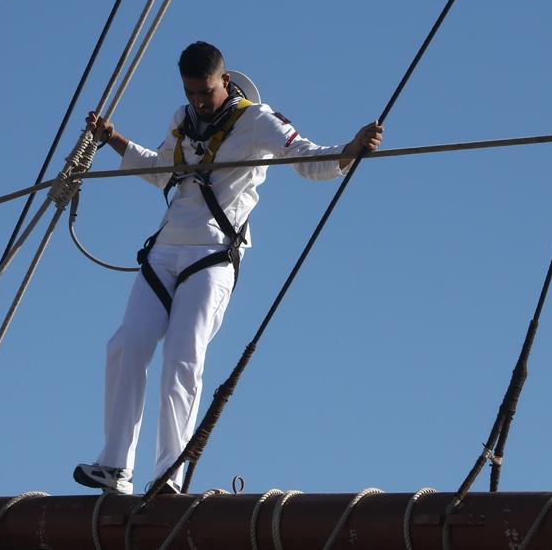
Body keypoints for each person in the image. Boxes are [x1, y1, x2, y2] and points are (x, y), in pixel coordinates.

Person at [73, 41, 382, 494]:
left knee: (182, 357)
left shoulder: (257, 121)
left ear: (225, 80)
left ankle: (167, 475)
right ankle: (114, 465)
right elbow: (163, 171)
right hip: (164, 252)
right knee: (124, 346)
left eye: (206, 92)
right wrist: (112, 140)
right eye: (190, 93)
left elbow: (307, 159)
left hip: (212, 256)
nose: (198, 101)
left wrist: (351, 148)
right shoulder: (181, 121)